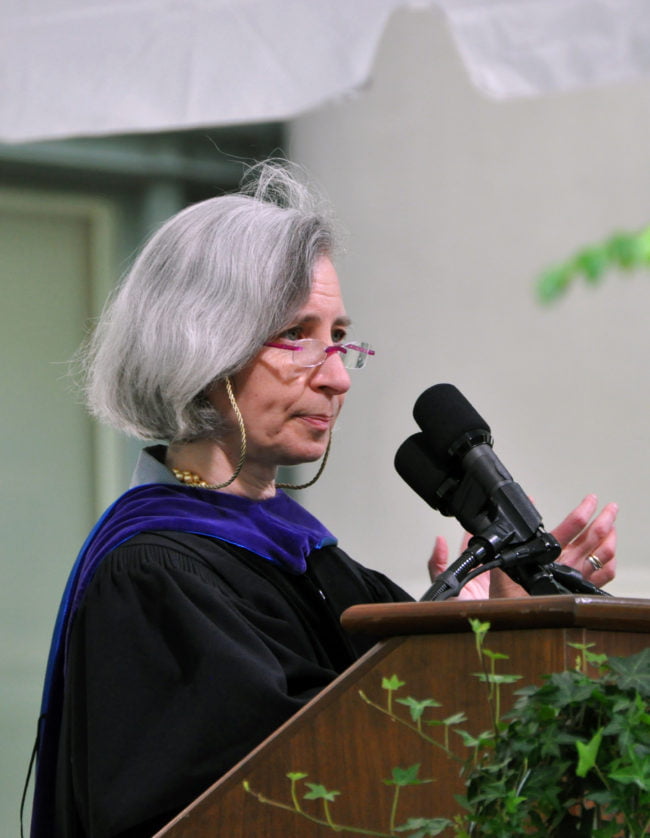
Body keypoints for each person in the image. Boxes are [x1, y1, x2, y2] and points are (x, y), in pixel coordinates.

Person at [31, 162, 617, 838]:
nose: (337, 376)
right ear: (200, 345)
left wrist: (492, 631)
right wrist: (460, 665)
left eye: (338, 337)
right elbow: (281, 796)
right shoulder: (155, 578)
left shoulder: (313, 561)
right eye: (295, 336)